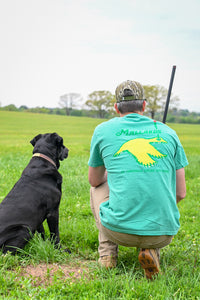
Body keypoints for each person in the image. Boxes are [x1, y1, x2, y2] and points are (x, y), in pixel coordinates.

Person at [88, 80, 188, 280]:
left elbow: (94, 180)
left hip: (117, 231)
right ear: (144, 106)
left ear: (116, 107)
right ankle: (150, 249)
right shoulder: (168, 133)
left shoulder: (102, 130)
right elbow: (180, 193)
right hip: (162, 234)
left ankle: (107, 255)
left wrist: (113, 175)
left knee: (97, 187)